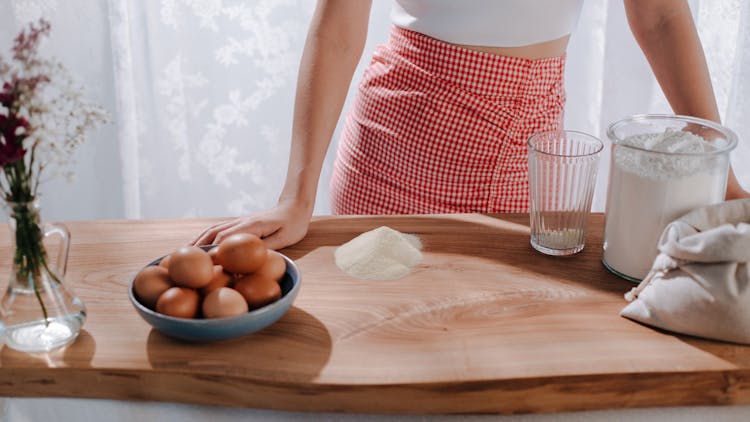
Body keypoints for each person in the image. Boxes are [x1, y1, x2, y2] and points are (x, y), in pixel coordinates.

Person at [192, 0, 749, 249]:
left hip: (526, 149)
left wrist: (717, 166)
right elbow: (338, 24)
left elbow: (661, 15)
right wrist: (297, 195)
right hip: (398, 147)